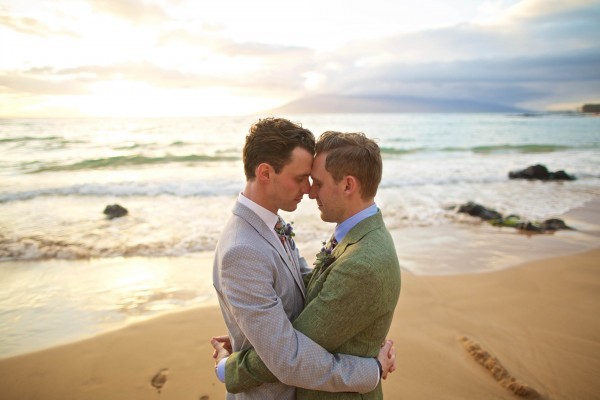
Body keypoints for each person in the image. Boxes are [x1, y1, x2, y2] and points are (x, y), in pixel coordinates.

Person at [212, 119, 396, 399]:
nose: (309, 189)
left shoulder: (272, 225)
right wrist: (371, 369)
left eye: (313, 180)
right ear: (265, 173)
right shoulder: (242, 250)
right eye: (300, 178)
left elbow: (307, 287)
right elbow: (287, 357)